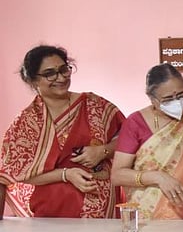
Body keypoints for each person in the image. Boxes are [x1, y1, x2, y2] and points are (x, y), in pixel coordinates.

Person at [0, 46, 124, 218]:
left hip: (99, 203)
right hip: (51, 209)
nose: (60, 78)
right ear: (33, 80)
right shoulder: (27, 121)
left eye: (64, 70)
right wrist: (66, 175)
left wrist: (102, 151)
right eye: (50, 73)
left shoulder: (95, 104)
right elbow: (16, 172)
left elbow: (128, 140)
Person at [110, 64, 183, 220]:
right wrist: (158, 177)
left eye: (181, 95)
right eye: (167, 99)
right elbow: (118, 175)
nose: (176, 101)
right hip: (148, 216)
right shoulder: (135, 123)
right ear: (152, 98)